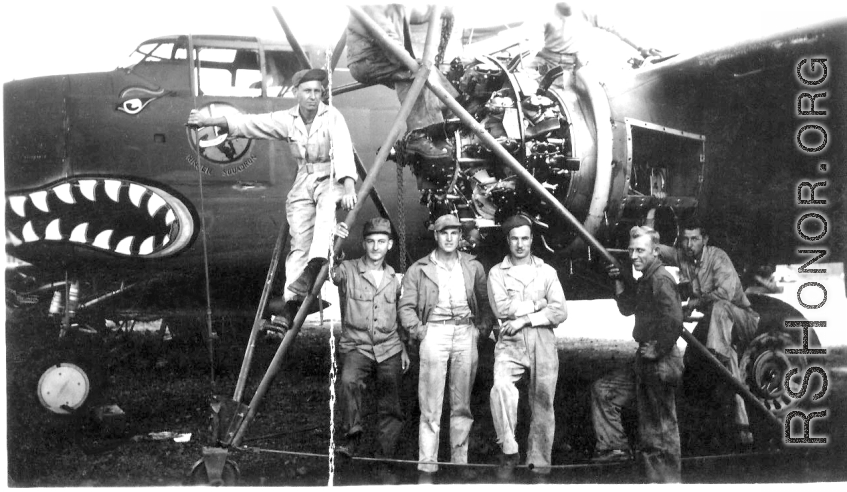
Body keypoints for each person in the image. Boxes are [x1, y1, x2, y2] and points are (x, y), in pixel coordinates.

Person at [187, 68, 358, 331]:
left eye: (317, 92)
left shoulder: (332, 116)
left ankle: (315, 266)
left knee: (325, 212)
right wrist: (213, 121)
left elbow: (345, 150)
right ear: (296, 93)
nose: (313, 97)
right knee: (299, 236)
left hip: (330, 176)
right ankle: (292, 303)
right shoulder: (288, 119)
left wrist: (348, 186)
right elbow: (252, 123)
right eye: (307, 91)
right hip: (304, 178)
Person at [397, 213, 493, 484]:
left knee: (462, 404)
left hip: (465, 332)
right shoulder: (419, 269)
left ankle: (459, 464)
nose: (449, 238)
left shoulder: (473, 267)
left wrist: (480, 331)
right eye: (444, 233)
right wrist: (420, 331)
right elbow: (405, 307)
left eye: (454, 233)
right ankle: (427, 467)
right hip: (435, 332)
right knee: (430, 405)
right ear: (435, 236)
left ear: (460, 236)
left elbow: (486, 303)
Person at [654, 218, 759, 446]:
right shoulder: (683, 255)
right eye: (685, 239)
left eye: (695, 239)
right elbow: (654, 247)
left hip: (742, 318)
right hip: (716, 324)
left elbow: (726, 294)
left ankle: (716, 360)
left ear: (705, 240)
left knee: (720, 310)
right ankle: (741, 425)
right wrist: (653, 209)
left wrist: (694, 302)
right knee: (722, 362)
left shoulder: (718, 257)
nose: (689, 244)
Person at [591, 226, 684, 483]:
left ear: (655, 251)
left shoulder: (660, 279)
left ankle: (668, 482)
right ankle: (615, 448)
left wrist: (659, 347)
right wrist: (620, 279)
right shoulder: (645, 278)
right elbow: (628, 307)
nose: (633, 256)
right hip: (645, 358)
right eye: (631, 250)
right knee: (605, 391)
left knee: (660, 430)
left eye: (640, 250)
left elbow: (675, 319)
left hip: (660, 360)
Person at [487, 215, 567, 482]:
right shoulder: (497, 273)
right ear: (507, 241)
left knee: (543, 403)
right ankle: (509, 450)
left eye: (525, 238)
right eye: (514, 238)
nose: (520, 244)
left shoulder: (547, 272)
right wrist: (537, 305)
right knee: (501, 388)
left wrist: (526, 318)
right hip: (510, 343)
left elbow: (559, 311)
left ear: (532, 239)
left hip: (542, 340)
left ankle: (539, 466)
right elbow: (501, 308)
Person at [330, 218, 409, 485]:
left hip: (389, 347)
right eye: (371, 241)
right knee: (349, 381)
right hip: (357, 345)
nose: (376, 247)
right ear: (364, 243)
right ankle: (353, 435)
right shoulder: (349, 270)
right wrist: (335, 241)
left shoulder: (394, 278)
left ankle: (385, 456)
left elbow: (398, 315)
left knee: (392, 402)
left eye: (381, 242)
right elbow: (330, 270)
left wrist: (404, 349)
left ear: (390, 245)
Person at [346, 4, 458, 158]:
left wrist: (439, 9)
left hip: (381, 56)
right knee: (418, 74)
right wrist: (411, 64)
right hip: (366, 60)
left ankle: (451, 113)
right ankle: (418, 135)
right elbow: (389, 39)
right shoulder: (373, 5)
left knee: (427, 70)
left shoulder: (394, 5)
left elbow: (415, 13)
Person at [524, 1, 661, 88]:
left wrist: (641, 47)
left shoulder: (585, 10)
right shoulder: (544, 14)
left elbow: (615, 28)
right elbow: (531, 41)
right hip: (549, 61)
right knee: (527, 86)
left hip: (575, 64)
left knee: (596, 96)